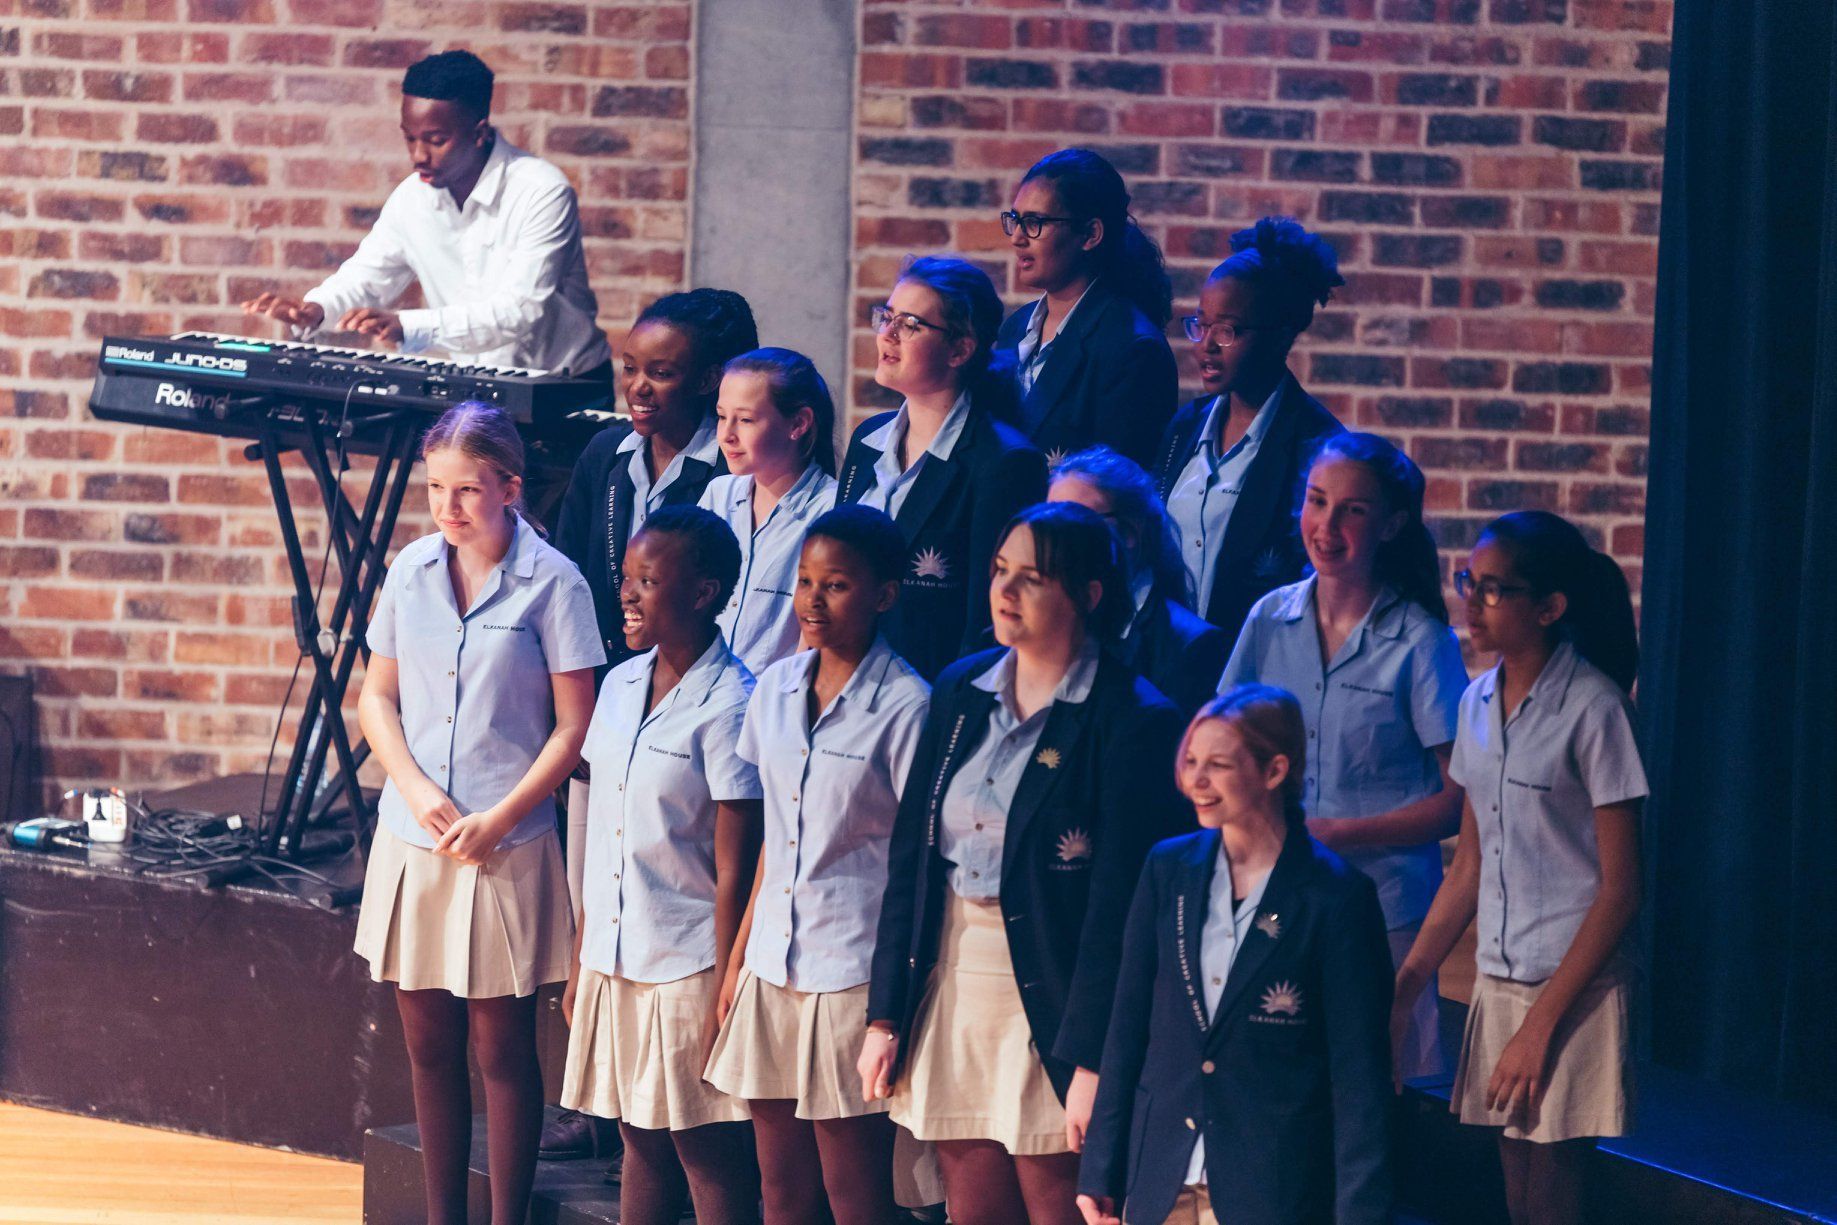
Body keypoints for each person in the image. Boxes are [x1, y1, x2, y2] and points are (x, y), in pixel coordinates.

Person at [862, 502, 1187, 1225]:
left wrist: (1096, 1060)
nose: (1004, 591)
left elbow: (1119, 913)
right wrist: (885, 1012)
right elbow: (912, 858)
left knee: (1059, 1207)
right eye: (999, 571)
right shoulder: (959, 688)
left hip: (1055, 997)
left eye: (1031, 577)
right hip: (954, 978)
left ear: (1089, 594)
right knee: (972, 1210)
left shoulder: (1133, 718)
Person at [352, 401, 604, 1225]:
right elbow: (377, 699)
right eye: (436, 489)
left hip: (506, 843)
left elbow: (574, 727)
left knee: (502, 1049)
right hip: (415, 835)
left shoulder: (555, 582)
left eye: (467, 489)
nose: (448, 507)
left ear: (510, 488)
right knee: (427, 1044)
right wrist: (416, 788)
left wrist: (498, 817)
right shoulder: (411, 571)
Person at [1394, 511, 1646, 1225]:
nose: (1471, 602)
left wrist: (1539, 1025)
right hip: (1501, 981)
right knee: (1512, 1180)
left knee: (1554, 1183)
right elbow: (1469, 864)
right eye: (1468, 582)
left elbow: (1621, 889)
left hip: (1575, 988)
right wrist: (1408, 980)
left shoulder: (1594, 710)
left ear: (1548, 607)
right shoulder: (1474, 703)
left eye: (1493, 589)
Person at [1077, 686, 1394, 1225]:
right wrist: (1102, 1168)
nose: (1195, 781)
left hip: (1271, 1188)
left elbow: (1359, 1079)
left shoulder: (1336, 897)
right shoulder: (1167, 868)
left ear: (1274, 770)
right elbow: (1128, 1025)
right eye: (1191, 762)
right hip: (1163, 1178)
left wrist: (1360, 1213)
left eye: (1218, 765)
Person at [703, 506, 931, 1225]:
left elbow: (914, 859)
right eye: (804, 581)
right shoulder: (772, 687)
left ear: (882, 595)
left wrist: (891, 1003)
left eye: (834, 585)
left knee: (852, 1190)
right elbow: (775, 832)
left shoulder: (906, 703)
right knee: (780, 1185)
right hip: (771, 964)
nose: (811, 600)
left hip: (849, 970)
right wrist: (736, 961)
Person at [1217, 433, 1470, 1078]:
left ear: (1391, 524)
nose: (1326, 526)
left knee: (1376, 1098)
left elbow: (1460, 800)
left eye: (1352, 511)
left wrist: (1342, 834)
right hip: (1277, 898)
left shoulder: (1419, 640)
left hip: (1383, 910)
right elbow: (1222, 745)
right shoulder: (1269, 619)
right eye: (1317, 502)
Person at [559, 505, 764, 1225]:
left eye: (648, 579)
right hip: (615, 952)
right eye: (625, 578)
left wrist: (723, 984)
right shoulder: (618, 685)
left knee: (706, 1150)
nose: (628, 594)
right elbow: (592, 820)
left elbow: (736, 866)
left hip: (687, 964)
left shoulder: (733, 702)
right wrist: (583, 948)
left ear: (703, 592)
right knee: (636, 1137)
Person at [242, 50, 608, 381]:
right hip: (475, 381)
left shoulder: (542, 191)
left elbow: (520, 310)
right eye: (409, 138)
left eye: (435, 140)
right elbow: (367, 275)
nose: (418, 155)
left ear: (478, 133)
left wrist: (408, 326)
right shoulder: (411, 197)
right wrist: (317, 309)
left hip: (563, 385)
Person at [837, 255, 1047, 680]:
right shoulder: (867, 439)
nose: (887, 334)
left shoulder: (1003, 462)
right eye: (887, 317)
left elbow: (984, 621)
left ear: (959, 349)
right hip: (845, 682)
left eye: (910, 324)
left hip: (924, 688)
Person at [1154, 217, 1346, 645]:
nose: (1205, 344)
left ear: (1279, 337)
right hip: (1168, 666)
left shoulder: (1316, 446)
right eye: (1200, 324)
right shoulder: (1185, 427)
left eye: (1227, 330)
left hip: (1253, 670)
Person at [553, 288, 759, 665]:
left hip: (690, 677)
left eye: (661, 373)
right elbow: (568, 575)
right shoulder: (604, 454)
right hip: (599, 678)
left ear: (708, 380)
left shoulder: (730, 471)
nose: (637, 387)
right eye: (630, 368)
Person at [994, 148, 1178, 469]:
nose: (1018, 237)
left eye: (1035, 222)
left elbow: (1117, 488)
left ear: (1090, 234)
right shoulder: (1016, 327)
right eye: (1015, 220)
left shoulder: (1131, 349)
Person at [1046, 446, 1227, 718]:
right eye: (1048, 521)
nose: (1055, 538)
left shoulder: (1190, 645)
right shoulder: (1046, 618)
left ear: (1130, 531)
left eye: (1075, 519)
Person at [697, 348, 840, 675]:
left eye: (745, 420)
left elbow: (814, 642)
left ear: (799, 423)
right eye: (721, 416)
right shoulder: (719, 494)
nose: (727, 435)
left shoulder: (830, 511)